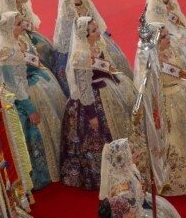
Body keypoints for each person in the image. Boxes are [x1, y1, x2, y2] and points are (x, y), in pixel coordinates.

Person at [0, 11, 64, 190]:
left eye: (22, 21)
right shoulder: (6, 52)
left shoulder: (18, 42)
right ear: (8, 28)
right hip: (21, 99)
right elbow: (14, 85)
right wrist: (30, 108)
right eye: (18, 23)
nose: (23, 25)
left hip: (31, 84)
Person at [60, 17, 139, 190]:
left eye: (97, 29)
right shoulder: (81, 56)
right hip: (91, 102)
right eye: (94, 30)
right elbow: (84, 89)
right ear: (85, 34)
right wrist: (91, 115)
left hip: (107, 91)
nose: (98, 32)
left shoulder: (97, 46)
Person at [140, 24, 186, 196]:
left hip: (184, 97)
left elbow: (180, 72)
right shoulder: (152, 61)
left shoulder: (170, 51)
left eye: (168, 35)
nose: (169, 39)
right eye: (164, 37)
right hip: (169, 102)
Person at [53, 0, 132, 96]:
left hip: (95, 37)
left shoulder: (85, 2)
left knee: (115, 59)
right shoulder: (69, 12)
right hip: (81, 44)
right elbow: (71, 36)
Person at [98, 138, 180, 218]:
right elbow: (130, 211)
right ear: (123, 157)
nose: (137, 153)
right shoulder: (121, 185)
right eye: (132, 152)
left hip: (143, 202)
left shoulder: (129, 169)